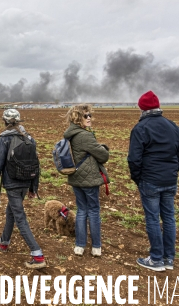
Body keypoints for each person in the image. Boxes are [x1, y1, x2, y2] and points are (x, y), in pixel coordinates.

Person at [128, 91, 179, 272]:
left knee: (153, 219)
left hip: (150, 181)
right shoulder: (173, 126)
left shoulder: (140, 128)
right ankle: (169, 258)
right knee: (169, 218)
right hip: (169, 180)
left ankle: (156, 259)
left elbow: (133, 159)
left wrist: (138, 178)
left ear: (142, 108)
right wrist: (172, 171)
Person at [0, 109, 46, 269]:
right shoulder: (29, 138)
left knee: (20, 218)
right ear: (19, 121)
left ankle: (37, 254)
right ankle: (4, 242)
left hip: (12, 184)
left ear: (5, 122)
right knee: (11, 212)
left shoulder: (4, 138)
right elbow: (36, 165)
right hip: (26, 182)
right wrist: (34, 188)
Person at [63, 104, 110, 257]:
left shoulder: (70, 134)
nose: (89, 118)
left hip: (76, 177)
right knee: (94, 211)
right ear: (77, 118)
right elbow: (103, 156)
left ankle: (80, 245)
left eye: (89, 115)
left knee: (82, 210)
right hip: (89, 179)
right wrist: (103, 147)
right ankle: (96, 247)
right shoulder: (85, 135)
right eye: (85, 116)